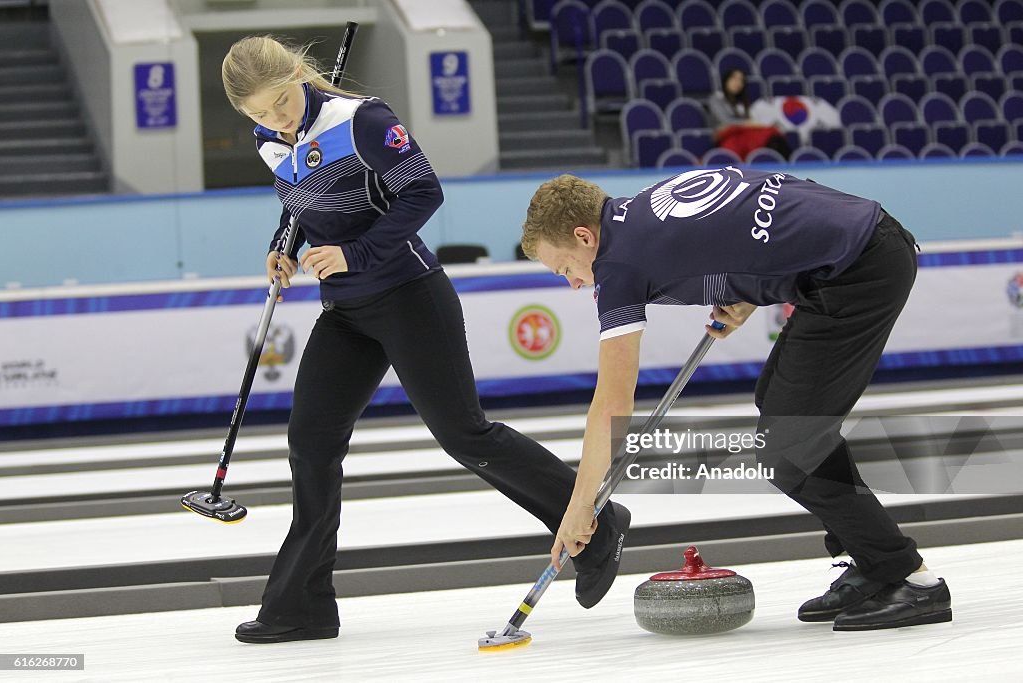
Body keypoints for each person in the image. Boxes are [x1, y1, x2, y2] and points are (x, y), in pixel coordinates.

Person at [220, 36, 630, 644]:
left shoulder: (361, 120)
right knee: (309, 440)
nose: (275, 120)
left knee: (464, 434)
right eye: (259, 114)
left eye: (281, 103)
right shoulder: (268, 142)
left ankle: (596, 522)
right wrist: (283, 247)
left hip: (410, 296)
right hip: (346, 311)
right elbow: (303, 204)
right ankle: (303, 605)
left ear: (300, 77)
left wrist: (354, 251)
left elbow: (424, 192)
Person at [520, 169, 953, 631]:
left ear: (584, 237)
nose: (573, 283)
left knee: (789, 445)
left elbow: (611, 403)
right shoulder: (644, 207)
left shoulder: (618, 265)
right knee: (786, 424)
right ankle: (873, 561)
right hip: (860, 248)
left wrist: (579, 506)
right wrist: (749, 290)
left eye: (565, 268)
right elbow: (748, 213)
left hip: (856, 269)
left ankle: (911, 580)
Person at [707, 68, 791, 160]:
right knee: (766, 133)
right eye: (734, 79)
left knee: (773, 136)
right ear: (726, 80)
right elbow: (726, 122)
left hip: (744, 135)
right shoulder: (716, 99)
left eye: (741, 80)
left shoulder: (742, 102)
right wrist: (750, 124)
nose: (738, 83)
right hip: (725, 138)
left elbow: (748, 120)